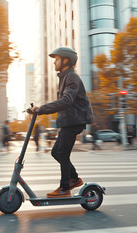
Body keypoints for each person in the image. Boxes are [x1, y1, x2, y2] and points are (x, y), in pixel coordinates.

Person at [27, 47, 94, 198]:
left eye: (56, 59)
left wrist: (42, 109)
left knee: (62, 154)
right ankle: (74, 179)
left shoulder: (72, 77)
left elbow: (67, 101)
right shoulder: (65, 77)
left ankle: (65, 188)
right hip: (68, 121)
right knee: (56, 152)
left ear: (66, 60)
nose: (54, 63)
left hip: (74, 121)